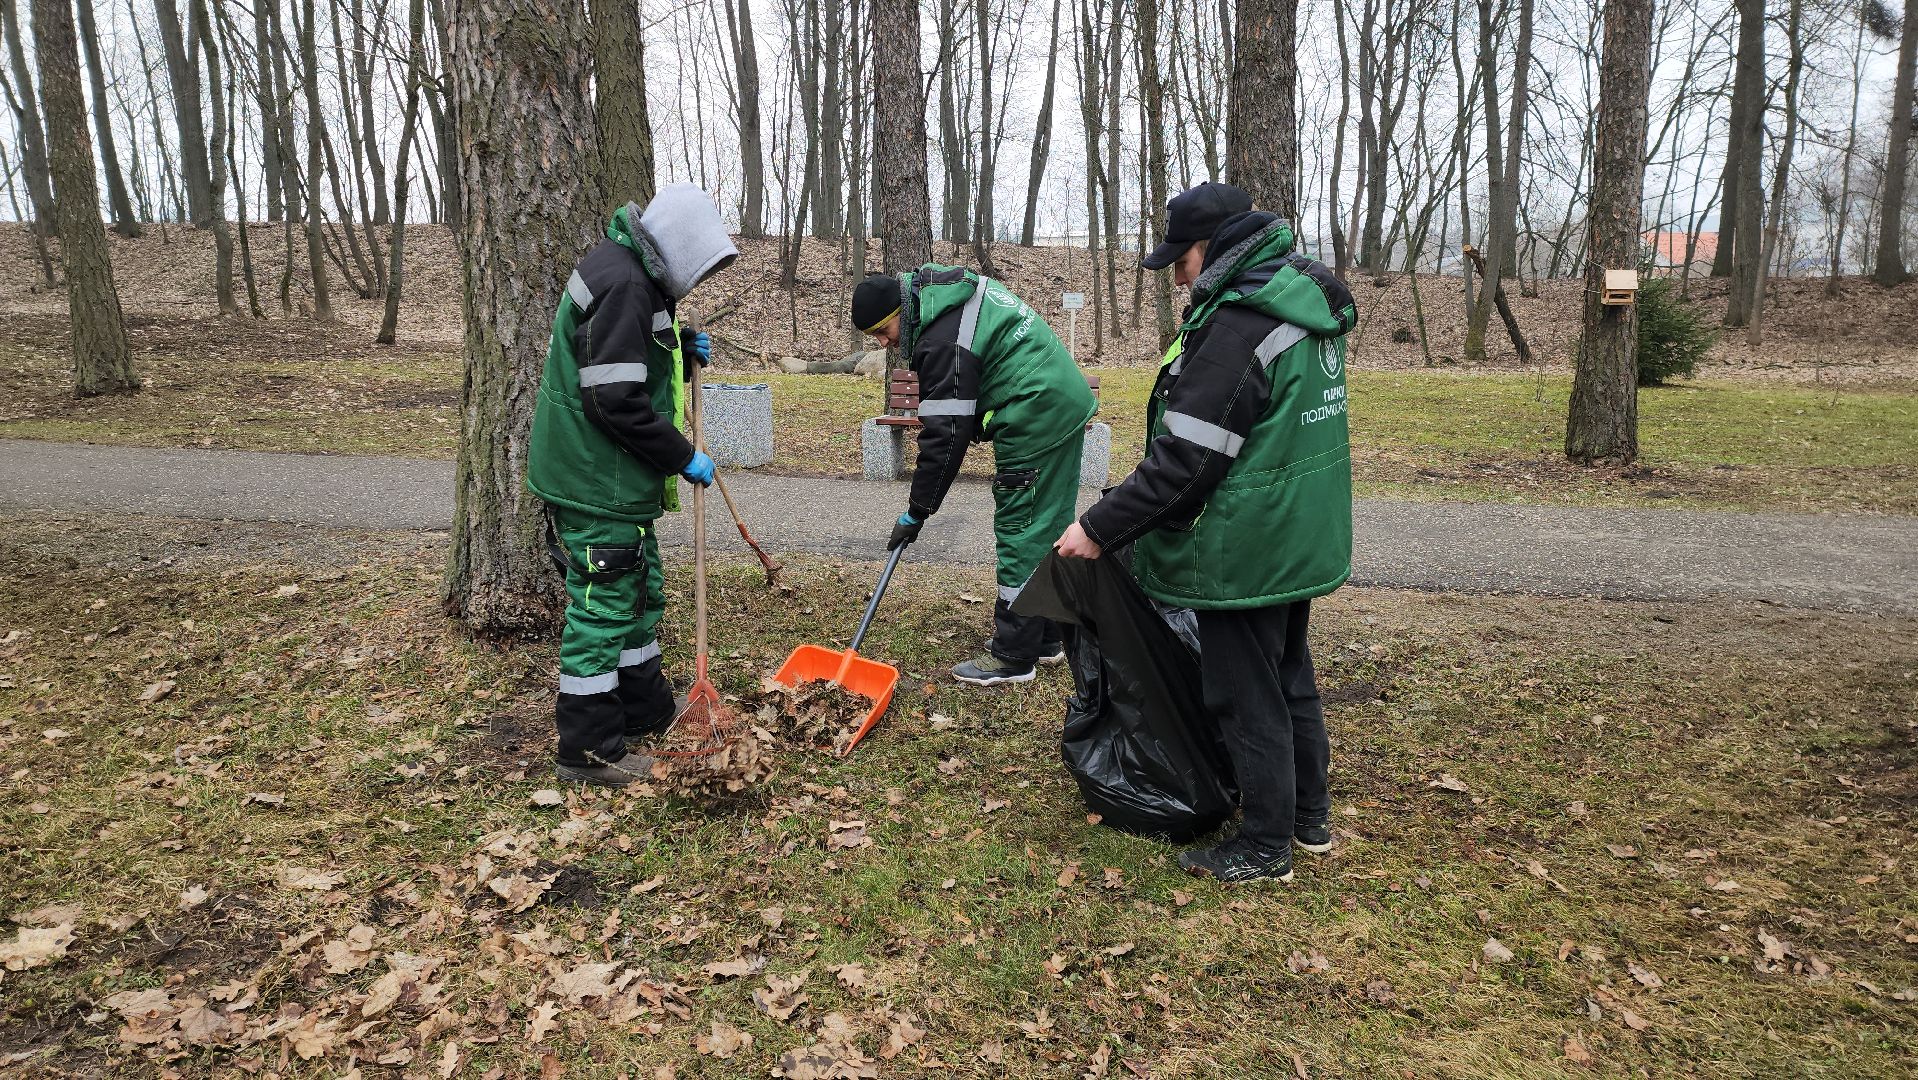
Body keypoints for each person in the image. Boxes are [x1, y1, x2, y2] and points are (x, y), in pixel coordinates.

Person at [1054, 182, 1358, 883]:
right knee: (1289, 676)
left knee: (1244, 692)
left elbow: (1186, 462)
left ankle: (1264, 845)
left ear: (1212, 246)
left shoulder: (1239, 325)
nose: (1176, 274)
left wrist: (1098, 527)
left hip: (1247, 543)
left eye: (1180, 259)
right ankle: (1308, 819)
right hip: (1297, 530)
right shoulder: (1303, 302)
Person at [526, 184, 739, 787]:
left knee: (640, 592)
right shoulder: (623, 283)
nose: (692, 288)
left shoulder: (632, 274)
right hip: (597, 478)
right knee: (605, 604)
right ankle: (589, 748)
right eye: (693, 272)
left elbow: (630, 352)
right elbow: (614, 399)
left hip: (613, 478)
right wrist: (682, 456)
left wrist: (673, 345)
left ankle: (645, 710)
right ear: (674, 250)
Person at [851, 266, 1097, 686]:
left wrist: (917, 511)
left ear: (900, 310)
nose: (884, 341)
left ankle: (1014, 655)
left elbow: (945, 437)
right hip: (1060, 399)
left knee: (1021, 525)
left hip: (1036, 410)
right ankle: (1047, 637)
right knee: (1049, 521)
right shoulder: (943, 295)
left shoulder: (941, 340)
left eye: (882, 329)